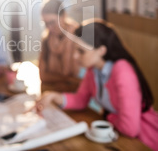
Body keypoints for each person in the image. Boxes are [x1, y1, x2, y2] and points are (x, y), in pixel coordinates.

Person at [36, 19, 158, 150]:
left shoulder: (122, 71)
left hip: (142, 139)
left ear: (101, 51)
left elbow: (130, 128)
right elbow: (81, 99)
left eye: (81, 51)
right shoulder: (93, 70)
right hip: (117, 134)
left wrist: (108, 116)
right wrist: (54, 96)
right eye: (75, 50)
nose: (75, 56)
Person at [38, 0, 82, 91]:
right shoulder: (46, 39)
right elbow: (43, 76)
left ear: (64, 16)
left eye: (52, 22)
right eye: (46, 24)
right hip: (52, 91)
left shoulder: (79, 36)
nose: (49, 28)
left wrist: (56, 78)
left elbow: (82, 80)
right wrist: (67, 79)